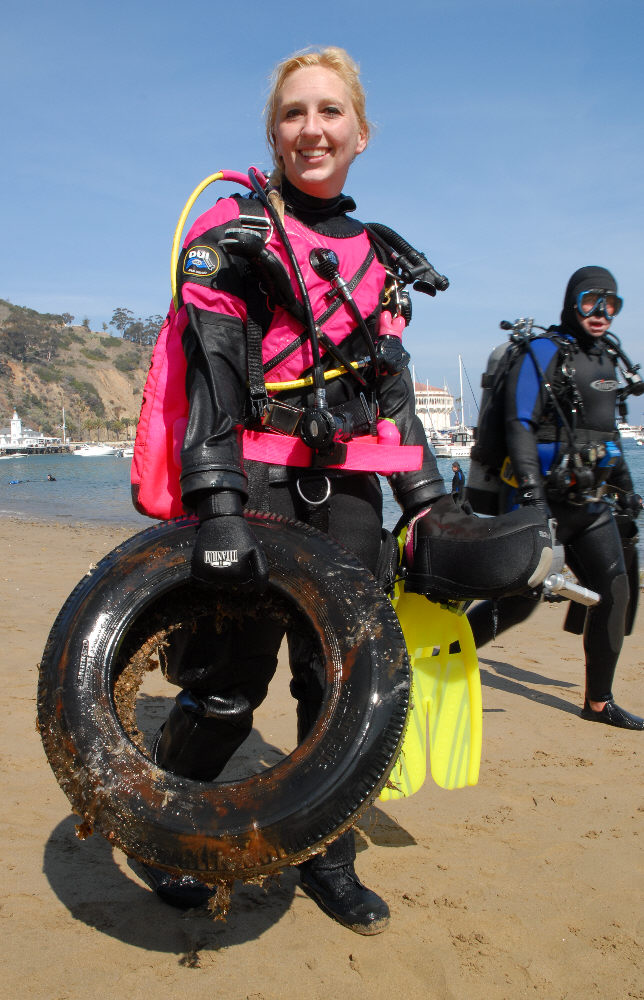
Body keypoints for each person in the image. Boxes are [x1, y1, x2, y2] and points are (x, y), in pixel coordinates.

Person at [138, 46, 547, 932]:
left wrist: (432, 508)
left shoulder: (380, 255)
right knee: (228, 686)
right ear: (274, 132)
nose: (311, 129)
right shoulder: (230, 238)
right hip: (257, 485)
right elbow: (209, 383)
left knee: (337, 686)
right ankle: (165, 826)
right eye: (294, 113)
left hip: (352, 501)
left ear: (361, 133)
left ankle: (326, 851)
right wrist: (214, 502)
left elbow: (391, 393)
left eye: (330, 112)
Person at [467, 266, 643, 730]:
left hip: (590, 502)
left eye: (612, 303)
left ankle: (598, 703)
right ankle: (437, 658)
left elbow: (608, 435)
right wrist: (531, 496)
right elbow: (519, 423)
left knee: (615, 591)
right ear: (571, 302)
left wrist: (626, 492)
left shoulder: (608, 359)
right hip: (537, 498)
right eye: (591, 301)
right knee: (520, 601)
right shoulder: (542, 351)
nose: (602, 312)